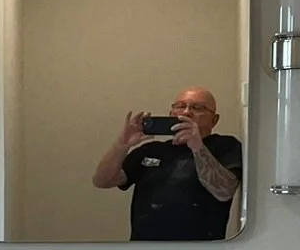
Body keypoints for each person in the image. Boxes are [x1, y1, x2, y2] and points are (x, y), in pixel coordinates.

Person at [90, 87, 241, 241]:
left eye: (197, 108)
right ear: (171, 113)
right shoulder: (151, 150)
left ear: (214, 120)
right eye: (180, 106)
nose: (186, 112)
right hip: (145, 249)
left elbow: (224, 192)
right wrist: (122, 145)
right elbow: (102, 181)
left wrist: (197, 147)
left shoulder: (225, 146)